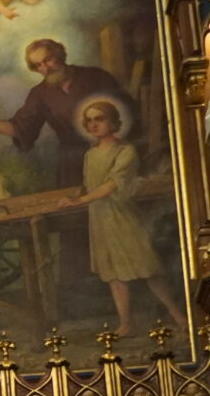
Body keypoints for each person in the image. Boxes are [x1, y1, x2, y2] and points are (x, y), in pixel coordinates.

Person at [57, 99, 185, 335]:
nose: (93, 124)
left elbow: (112, 184)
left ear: (113, 122)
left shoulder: (126, 151)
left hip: (122, 216)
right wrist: (75, 197)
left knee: (147, 268)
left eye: (99, 119)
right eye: (89, 120)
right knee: (114, 274)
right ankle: (126, 323)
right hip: (99, 217)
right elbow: (91, 185)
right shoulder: (90, 154)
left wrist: (81, 201)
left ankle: (179, 315)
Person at [0, 39, 128, 188]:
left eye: (48, 59)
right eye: (38, 65)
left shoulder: (95, 76)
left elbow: (126, 113)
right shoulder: (40, 94)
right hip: (72, 162)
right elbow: (21, 128)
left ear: (60, 55)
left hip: (109, 152)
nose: (45, 68)